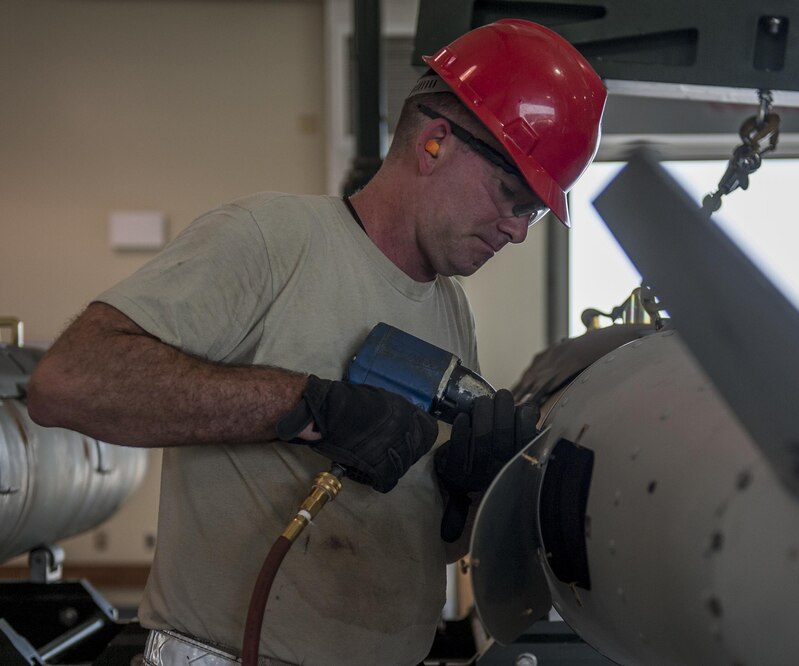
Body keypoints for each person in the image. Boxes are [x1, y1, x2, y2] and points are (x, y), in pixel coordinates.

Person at [26, 19, 606, 666]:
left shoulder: (451, 311)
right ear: (437, 142)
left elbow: (419, 546)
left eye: (531, 211)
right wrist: (305, 407)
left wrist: (465, 492)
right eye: (512, 196)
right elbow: (69, 383)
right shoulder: (271, 240)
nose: (519, 231)